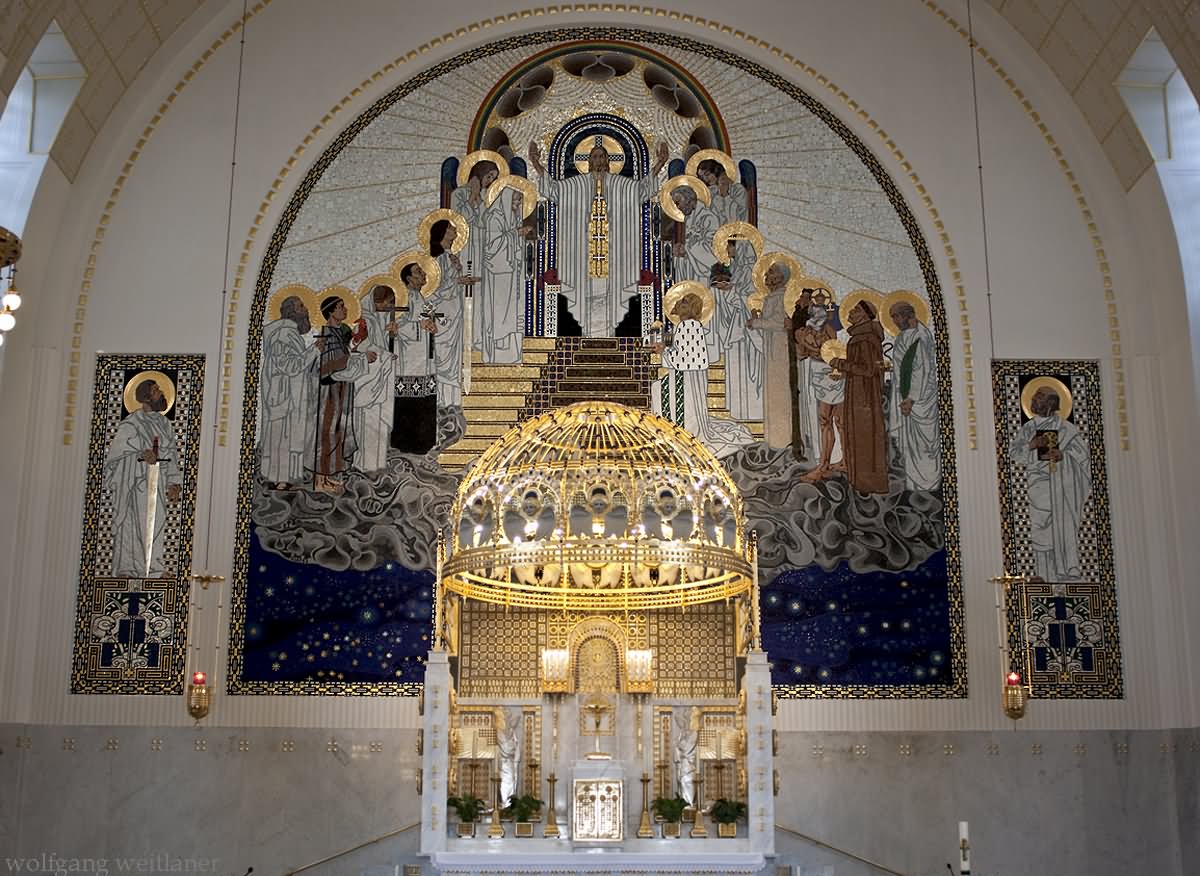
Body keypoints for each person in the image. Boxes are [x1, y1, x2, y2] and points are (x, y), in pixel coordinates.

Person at [529, 138, 667, 336]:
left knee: (612, 303)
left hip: (614, 259)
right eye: (594, 156)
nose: (599, 160)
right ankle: (590, 338)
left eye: (602, 156)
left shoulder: (621, 186)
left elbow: (642, 190)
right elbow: (554, 189)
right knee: (586, 305)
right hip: (583, 260)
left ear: (609, 160)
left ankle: (607, 338)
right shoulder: (576, 185)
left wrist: (660, 164)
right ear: (588, 161)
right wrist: (535, 164)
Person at [653, 292, 753, 458]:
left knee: (657, 389)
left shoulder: (688, 326)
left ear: (687, 308)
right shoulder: (686, 326)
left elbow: (686, 360)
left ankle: (676, 431)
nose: (676, 304)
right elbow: (683, 354)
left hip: (686, 377)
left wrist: (664, 351)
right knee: (657, 387)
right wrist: (666, 349)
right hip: (686, 374)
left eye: (681, 301)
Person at [1008, 385, 1091, 581]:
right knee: (1039, 528)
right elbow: (1014, 452)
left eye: (1039, 397)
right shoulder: (1028, 427)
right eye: (1035, 396)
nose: (1034, 401)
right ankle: (1044, 574)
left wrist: (1063, 455)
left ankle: (1068, 570)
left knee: (1064, 525)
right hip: (1038, 486)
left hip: (1063, 485)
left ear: (1051, 403)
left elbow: (1084, 458)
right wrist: (1031, 445)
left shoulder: (1066, 428)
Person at [105, 378, 182, 578]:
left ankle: (154, 568)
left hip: (158, 480)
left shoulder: (165, 423)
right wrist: (141, 453)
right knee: (133, 524)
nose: (161, 393)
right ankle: (127, 568)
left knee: (156, 523)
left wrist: (175, 482)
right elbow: (117, 452)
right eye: (156, 391)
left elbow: (171, 452)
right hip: (135, 481)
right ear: (146, 397)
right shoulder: (131, 422)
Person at [308, 295, 374, 492]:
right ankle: (319, 481)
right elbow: (334, 363)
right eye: (340, 307)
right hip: (329, 392)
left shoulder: (338, 333)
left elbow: (343, 357)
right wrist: (362, 359)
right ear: (330, 312)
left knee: (337, 432)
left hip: (340, 389)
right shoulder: (327, 335)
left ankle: (327, 477)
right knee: (326, 433)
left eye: (344, 306)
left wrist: (356, 350)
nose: (345, 310)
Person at [829, 299, 888, 493]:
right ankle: (859, 481)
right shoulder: (861, 336)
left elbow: (868, 369)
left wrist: (841, 364)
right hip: (858, 391)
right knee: (857, 434)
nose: (850, 313)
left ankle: (867, 483)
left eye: (855, 310)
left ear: (864, 314)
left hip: (864, 396)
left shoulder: (865, 338)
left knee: (864, 435)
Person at [260, 295, 318, 489]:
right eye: (301, 305)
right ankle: (279, 479)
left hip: (292, 395)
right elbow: (291, 366)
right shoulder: (281, 335)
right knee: (282, 437)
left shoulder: (290, 333)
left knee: (290, 436)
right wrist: (314, 350)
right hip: (283, 396)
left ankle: (289, 477)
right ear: (291, 311)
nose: (306, 308)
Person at [426, 219, 479, 408]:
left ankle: (451, 400)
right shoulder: (437, 259)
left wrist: (461, 281)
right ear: (442, 232)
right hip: (444, 313)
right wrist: (458, 281)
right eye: (450, 227)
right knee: (443, 355)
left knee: (453, 355)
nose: (454, 229)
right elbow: (434, 288)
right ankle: (442, 400)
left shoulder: (451, 256)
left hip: (455, 310)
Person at [888, 300, 940, 491]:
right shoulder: (904, 336)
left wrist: (910, 398)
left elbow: (921, 370)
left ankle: (928, 485)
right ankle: (915, 485)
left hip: (919, 399)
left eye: (895, 316)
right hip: (906, 396)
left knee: (923, 444)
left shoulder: (920, 336)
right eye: (892, 317)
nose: (894, 320)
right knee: (910, 444)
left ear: (906, 315)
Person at [391, 262, 439, 453]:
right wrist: (421, 326)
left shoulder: (421, 298)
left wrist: (432, 325)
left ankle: (424, 442)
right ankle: (407, 443)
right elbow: (397, 325)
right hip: (409, 360)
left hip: (424, 358)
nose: (423, 274)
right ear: (409, 278)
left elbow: (429, 320)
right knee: (410, 401)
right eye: (418, 272)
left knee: (426, 397)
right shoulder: (404, 298)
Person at [352, 285, 401, 473]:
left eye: (391, 303)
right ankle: (366, 464)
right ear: (376, 302)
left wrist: (393, 336)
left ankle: (379, 463)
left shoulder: (383, 321)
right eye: (387, 302)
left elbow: (390, 351)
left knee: (380, 423)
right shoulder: (365, 322)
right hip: (369, 382)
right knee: (369, 423)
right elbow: (359, 347)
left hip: (382, 381)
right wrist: (384, 355)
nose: (390, 307)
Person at [748, 261, 794, 448]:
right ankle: (773, 439)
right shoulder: (771, 297)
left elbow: (781, 323)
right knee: (772, 391)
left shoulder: (782, 297)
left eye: (772, 272)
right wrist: (758, 321)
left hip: (780, 349)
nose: (767, 275)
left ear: (782, 277)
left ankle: (782, 439)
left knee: (780, 391)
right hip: (771, 348)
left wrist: (757, 323)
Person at [796, 301, 844, 481]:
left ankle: (838, 461)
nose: (818, 316)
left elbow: (836, 350)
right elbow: (801, 353)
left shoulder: (830, 330)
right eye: (814, 313)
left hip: (834, 374)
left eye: (822, 313)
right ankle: (824, 462)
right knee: (825, 420)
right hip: (817, 374)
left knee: (837, 420)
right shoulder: (804, 332)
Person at [710, 260, 763, 422]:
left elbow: (747, 317)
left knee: (743, 376)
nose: (722, 284)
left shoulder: (739, 298)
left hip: (741, 343)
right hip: (727, 344)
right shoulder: (712, 297)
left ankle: (749, 412)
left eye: (725, 280)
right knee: (733, 378)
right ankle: (736, 412)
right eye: (718, 281)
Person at [494, 706, 523, 807]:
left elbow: (515, 745)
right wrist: (512, 746)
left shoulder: (511, 732)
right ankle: (504, 805)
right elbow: (507, 748)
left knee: (511, 782)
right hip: (504, 763)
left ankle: (508, 806)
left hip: (510, 763)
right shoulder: (499, 732)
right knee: (504, 783)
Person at [673, 706, 700, 807]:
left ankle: (689, 805)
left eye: (689, 712)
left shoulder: (694, 733)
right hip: (683, 764)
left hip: (688, 765)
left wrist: (680, 744)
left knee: (686, 781)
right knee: (681, 782)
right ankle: (685, 805)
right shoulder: (685, 733)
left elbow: (686, 748)